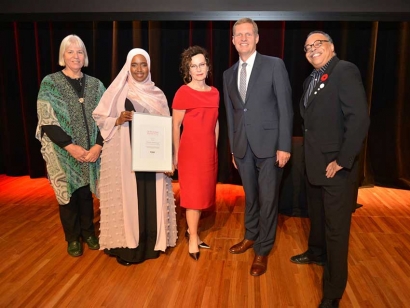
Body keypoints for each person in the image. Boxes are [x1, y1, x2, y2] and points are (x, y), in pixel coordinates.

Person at [290, 31, 370, 308]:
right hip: (315, 165)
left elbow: (358, 119)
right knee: (317, 216)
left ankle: (333, 292)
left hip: (337, 168)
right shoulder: (311, 79)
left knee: (336, 230)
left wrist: (343, 160)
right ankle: (315, 252)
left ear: (332, 47)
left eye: (318, 44)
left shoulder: (344, 70)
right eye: (307, 47)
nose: (312, 49)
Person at [92, 48, 178, 266]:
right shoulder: (118, 92)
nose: (139, 70)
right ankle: (130, 249)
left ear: (149, 67)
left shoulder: (157, 94)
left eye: (143, 65)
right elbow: (100, 117)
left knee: (150, 198)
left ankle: (151, 245)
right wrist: (118, 120)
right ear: (127, 67)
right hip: (127, 159)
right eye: (134, 65)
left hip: (152, 160)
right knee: (129, 200)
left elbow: (166, 128)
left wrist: (168, 158)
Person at [223, 18, 293, 276]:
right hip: (243, 148)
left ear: (257, 38)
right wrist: (233, 148)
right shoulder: (228, 74)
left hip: (271, 147)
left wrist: (284, 145)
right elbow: (231, 114)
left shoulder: (274, 65)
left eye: (248, 34)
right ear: (232, 40)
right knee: (251, 197)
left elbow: (285, 108)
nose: (243, 38)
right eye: (238, 35)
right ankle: (251, 236)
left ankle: (263, 250)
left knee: (267, 199)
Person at [35, 34, 105, 257]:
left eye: (80, 52)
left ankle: (89, 233)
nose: (75, 56)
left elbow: (107, 119)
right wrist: (70, 146)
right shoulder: (50, 82)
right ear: (62, 55)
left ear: (85, 56)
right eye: (70, 51)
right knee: (67, 196)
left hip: (90, 151)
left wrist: (98, 146)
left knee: (85, 194)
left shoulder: (96, 85)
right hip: (62, 152)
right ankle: (73, 238)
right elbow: (46, 120)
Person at [172, 46, 219, 261]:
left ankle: (193, 231)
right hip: (189, 152)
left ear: (208, 67)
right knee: (192, 197)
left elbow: (215, 123)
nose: (199, 69)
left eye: (202, 64)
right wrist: (175, 154)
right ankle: (192, 238)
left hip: (208, 152)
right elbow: (175, 126)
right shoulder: (183, 92)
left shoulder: (215, 93)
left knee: (202, 196)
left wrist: (214, 148)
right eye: (194, 66)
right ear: (188, 70)